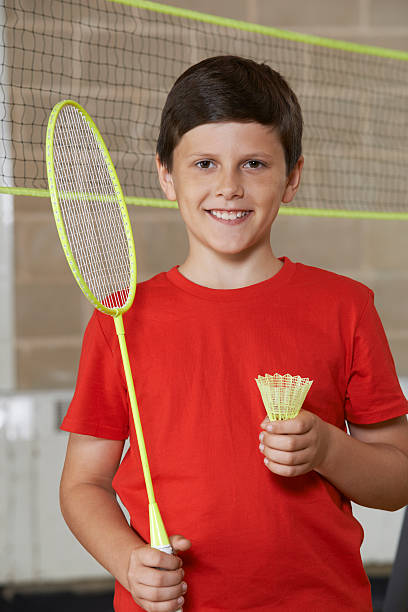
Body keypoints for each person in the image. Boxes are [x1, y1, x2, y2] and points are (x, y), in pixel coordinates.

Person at [59, 56, 408, 612]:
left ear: (291, 177)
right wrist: (127, 559)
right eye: (203, 163)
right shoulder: (119, 319)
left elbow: (397, 480)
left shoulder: (345, 306)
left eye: (253, 163)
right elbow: (82, 485)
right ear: (165, 176)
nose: (228, 187)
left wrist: (327, 449)